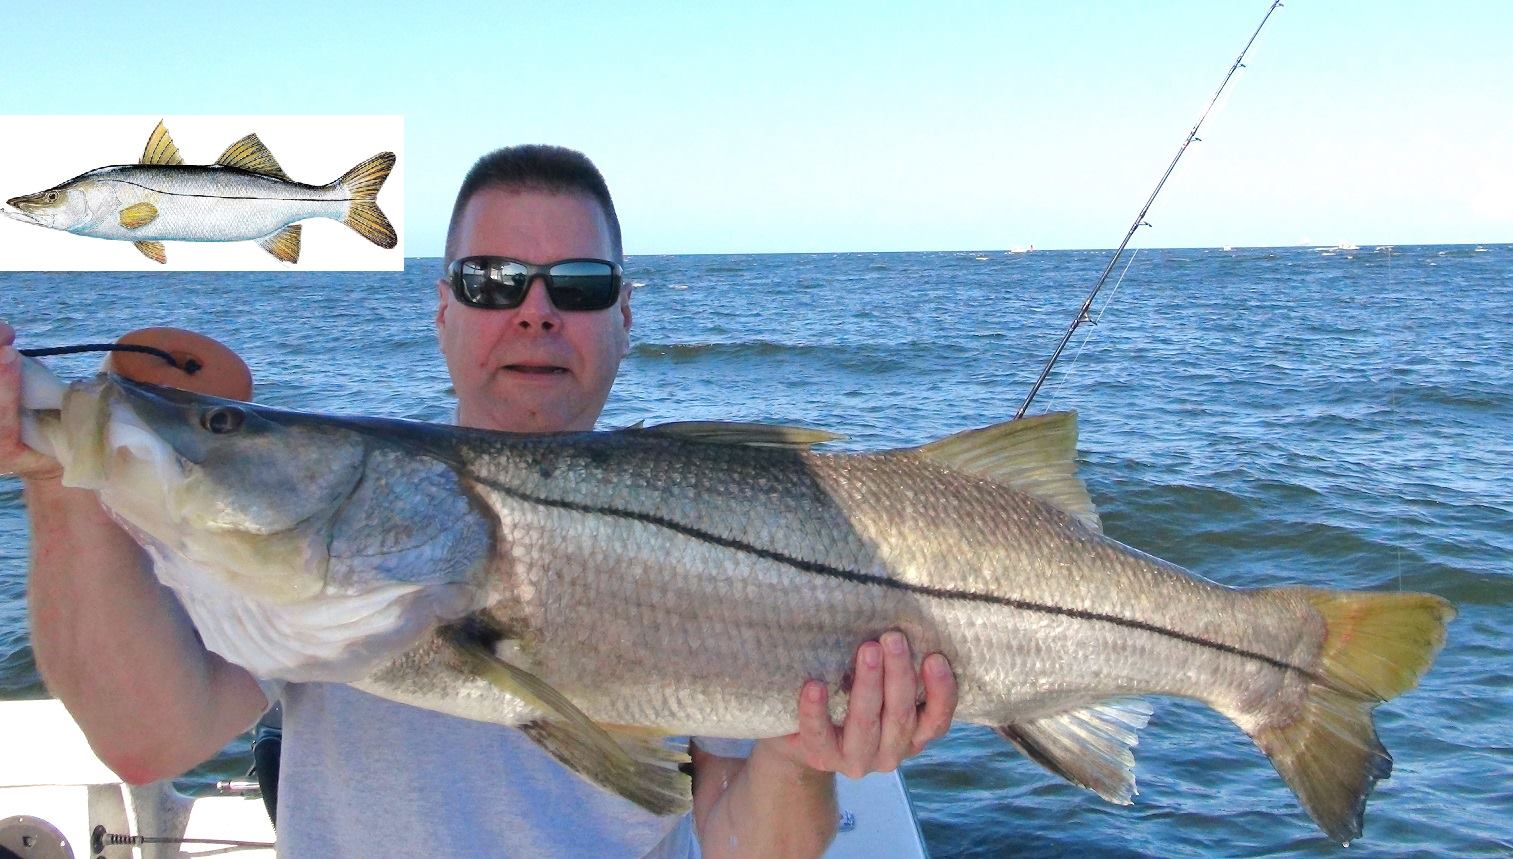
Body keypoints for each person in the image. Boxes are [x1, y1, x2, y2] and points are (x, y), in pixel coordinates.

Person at [0, 144, 958, 858]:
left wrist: (799, 758)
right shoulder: (317, 557)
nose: (534, 310)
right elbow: (146, 736)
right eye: (491, 280)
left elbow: (748, 841)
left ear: (624, 317)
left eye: (578, 285)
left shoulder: (725, 522)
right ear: (444, 311)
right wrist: (58, 472)